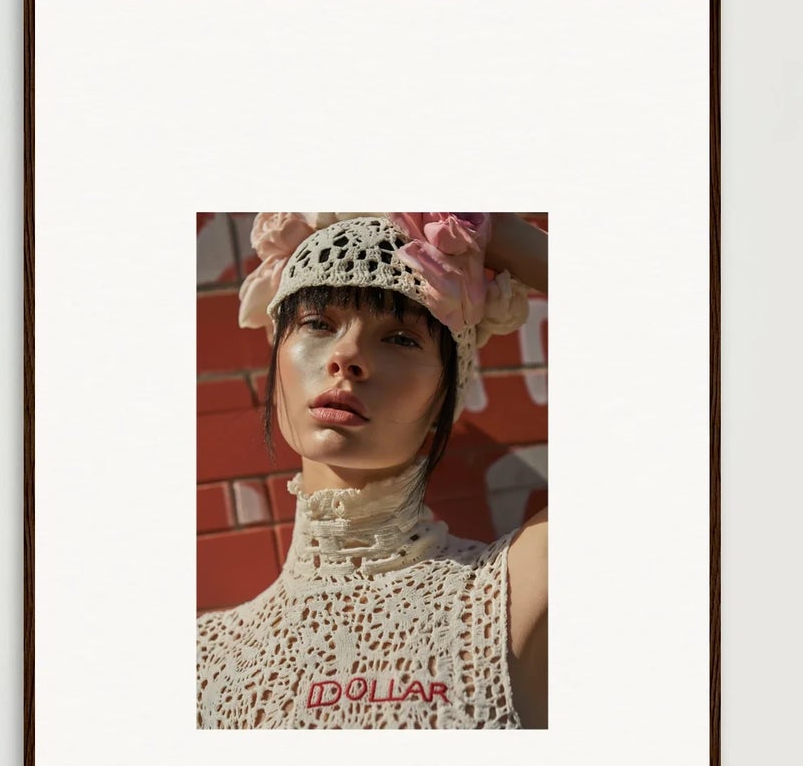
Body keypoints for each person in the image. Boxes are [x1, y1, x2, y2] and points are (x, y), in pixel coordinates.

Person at [196, 211, 548, 730]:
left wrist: (488, 227)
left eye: (402, 337)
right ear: (277, 365)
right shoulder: (204, 659)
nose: (347, 355)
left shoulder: (512, 594)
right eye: (318, 323)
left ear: (444, 396)